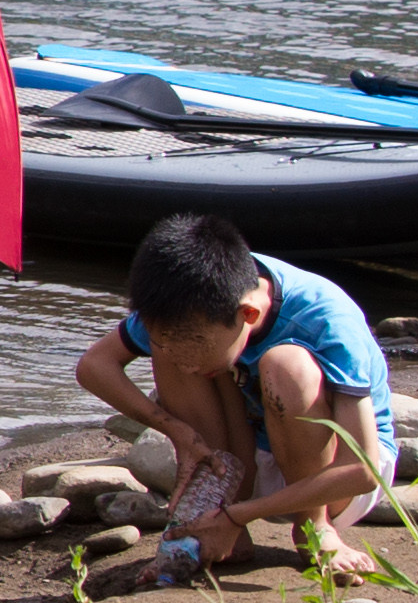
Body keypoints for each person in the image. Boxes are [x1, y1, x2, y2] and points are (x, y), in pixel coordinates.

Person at [75, 213, 393, 580]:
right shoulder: (183, 299)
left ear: (249, 314)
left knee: (286, 365)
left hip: (333, 479)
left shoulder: (325, 319)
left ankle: (314, 529)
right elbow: (95, 366)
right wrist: (178, 431)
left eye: (197, 344)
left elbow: (363, 472)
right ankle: (221, 523)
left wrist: (238, 515)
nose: (188, 365)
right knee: (167, 349)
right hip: (252, 463)